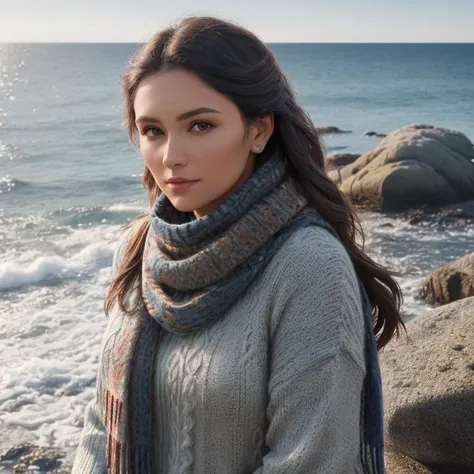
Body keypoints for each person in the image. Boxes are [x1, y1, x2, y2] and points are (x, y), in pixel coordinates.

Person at [72, 15, 405, 474]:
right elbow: (101, 424)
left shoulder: (308, 266)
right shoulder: (141, 249)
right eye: (152, 131)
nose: (171, 156)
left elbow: (311, 462)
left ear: (259, 130)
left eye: (200, 125)